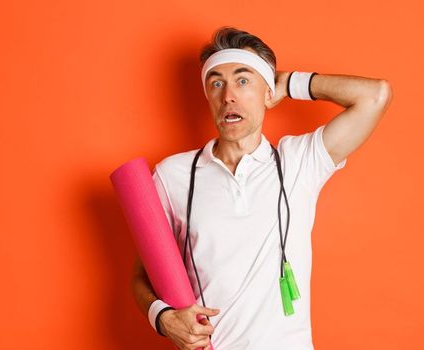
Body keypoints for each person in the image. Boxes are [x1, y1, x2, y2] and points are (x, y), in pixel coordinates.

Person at [130, 26, 392, 350]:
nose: (229, 95)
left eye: (243, 81)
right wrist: (163, 317)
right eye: (216, 83)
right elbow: (142, 273)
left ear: (268, 92)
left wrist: (291, 83)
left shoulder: (299, 162)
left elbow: (375, 96)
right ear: (208, 97)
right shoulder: (173, 175)